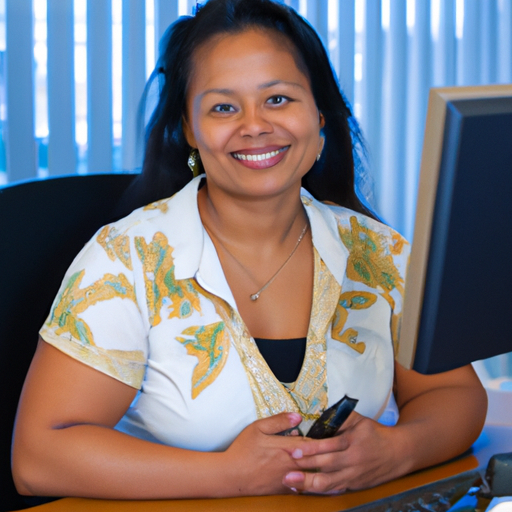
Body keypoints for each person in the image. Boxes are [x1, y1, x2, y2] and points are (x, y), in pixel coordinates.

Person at [12, 0, 486, 499]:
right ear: (191, 129)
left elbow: (452, 394)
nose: (255, 125)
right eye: (223, 107)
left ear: (319, 117)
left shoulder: (375, 251)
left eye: (279, 99)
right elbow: (40, 456)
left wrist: (396, 451)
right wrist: (230, 474)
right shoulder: (127, 259)